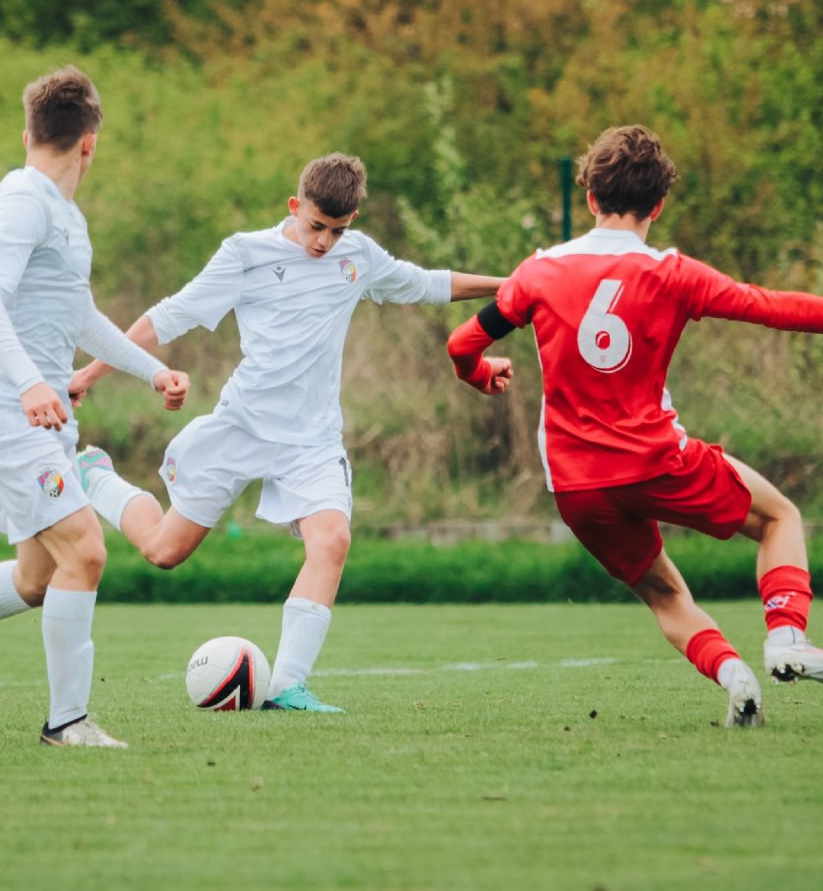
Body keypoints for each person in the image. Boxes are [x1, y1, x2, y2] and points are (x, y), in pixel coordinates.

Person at [446, 125, 823, 726]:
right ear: (659, 206)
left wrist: (481, 375)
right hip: (657, 461)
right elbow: (775, 308)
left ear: (589, 198)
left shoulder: (537, 272)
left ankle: (735, 679)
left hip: (577, 485)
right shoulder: (673, 272)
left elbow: (462, 344)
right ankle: (787, 637)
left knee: (666, 596)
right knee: (778, 518)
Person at [69, 153, 505, 713]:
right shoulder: (245, 254)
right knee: (163, 551)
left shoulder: (358, 257)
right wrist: (89, 374)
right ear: (295, 206)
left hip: (312, 442)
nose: (324, 241)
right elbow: (168, 316)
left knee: (333, 541)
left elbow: (426, 283)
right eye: (316, 226)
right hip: (241, 426)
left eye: (337, 231)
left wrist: (515, 286)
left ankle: (287, 687)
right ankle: (96, 476)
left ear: (352, 222)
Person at [0, 66, 189, 749]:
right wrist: (29, 383)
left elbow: (79, 318)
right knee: (86, 549)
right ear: (90, 144)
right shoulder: (22, 201)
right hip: (4, 413)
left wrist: (151, 371)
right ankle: (67, 722)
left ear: (28, 133)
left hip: (42, 418)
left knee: (38, 577)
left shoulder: (67, 218)